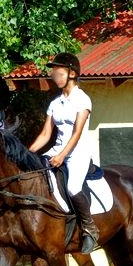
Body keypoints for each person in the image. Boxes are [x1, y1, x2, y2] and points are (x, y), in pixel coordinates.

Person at [27, 52, 97, 253]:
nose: (54, 74)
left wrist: (62, 156)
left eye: (59, 71)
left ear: (72, 73)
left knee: (74, 188)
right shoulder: (55, 103)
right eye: (54, 71)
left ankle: (89, 228)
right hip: (57, 149)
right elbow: (46, 134)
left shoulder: (83, 100)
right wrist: (25, 154)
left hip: (78, 152)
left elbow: (77, 133)